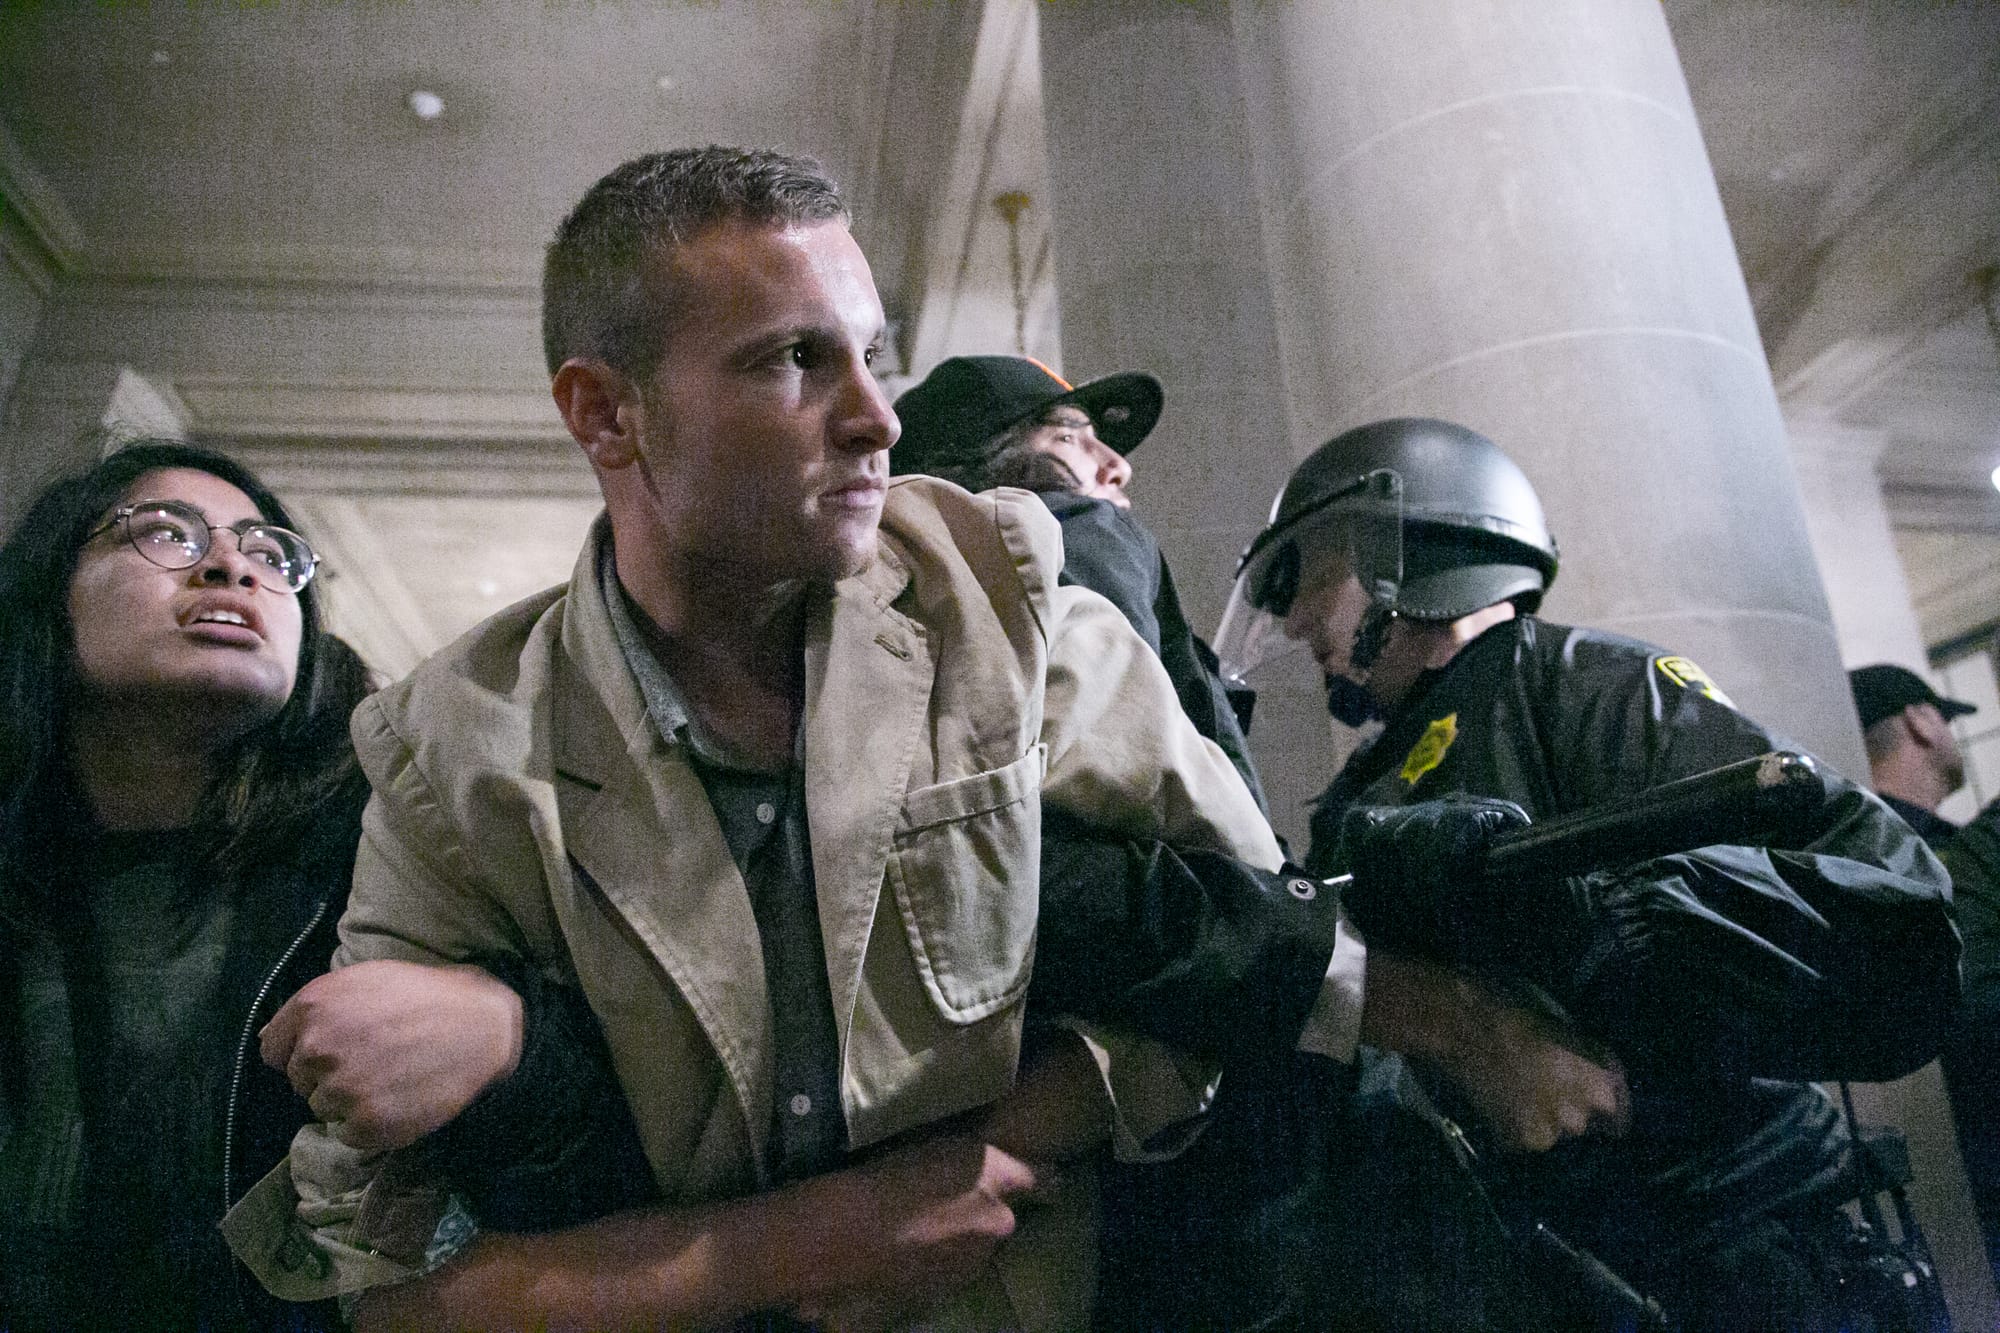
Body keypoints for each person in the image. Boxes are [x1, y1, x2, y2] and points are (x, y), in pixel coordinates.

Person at [1216, 416, 1961, 1331]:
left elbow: (1887, 892)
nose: (1294, 618)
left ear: (1412, 545)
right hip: (1520, 1272)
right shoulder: (1356, 792)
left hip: (1735, 1245)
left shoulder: (1590, 683)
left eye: (1313, 573)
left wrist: (1596, 926)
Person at [891, 354, 1264, 807]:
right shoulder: (1082, 527)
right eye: (1067, 437)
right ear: (979, 465)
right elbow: (1135, 759)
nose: (1118, 465)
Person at [1850, 662, 1974, 849]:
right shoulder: (1959, 851)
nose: (1950, 734)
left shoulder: (1850, 839)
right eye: (1945, 719)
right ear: (1919, 722)